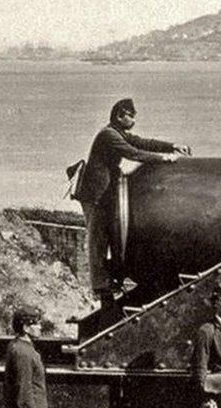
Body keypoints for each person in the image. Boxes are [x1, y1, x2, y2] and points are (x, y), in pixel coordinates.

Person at [74, 98, 190, 305]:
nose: (133, 120)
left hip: (104, 192)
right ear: (120, 115)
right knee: (98, 237)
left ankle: (112, 278)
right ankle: (100, 284)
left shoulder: (117, 133)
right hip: (95, 194)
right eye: (131, 116)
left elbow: (143, 142)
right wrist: (164, 158)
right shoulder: (108, 135)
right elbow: (133, 153)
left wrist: (172, 146)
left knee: (108, 234)